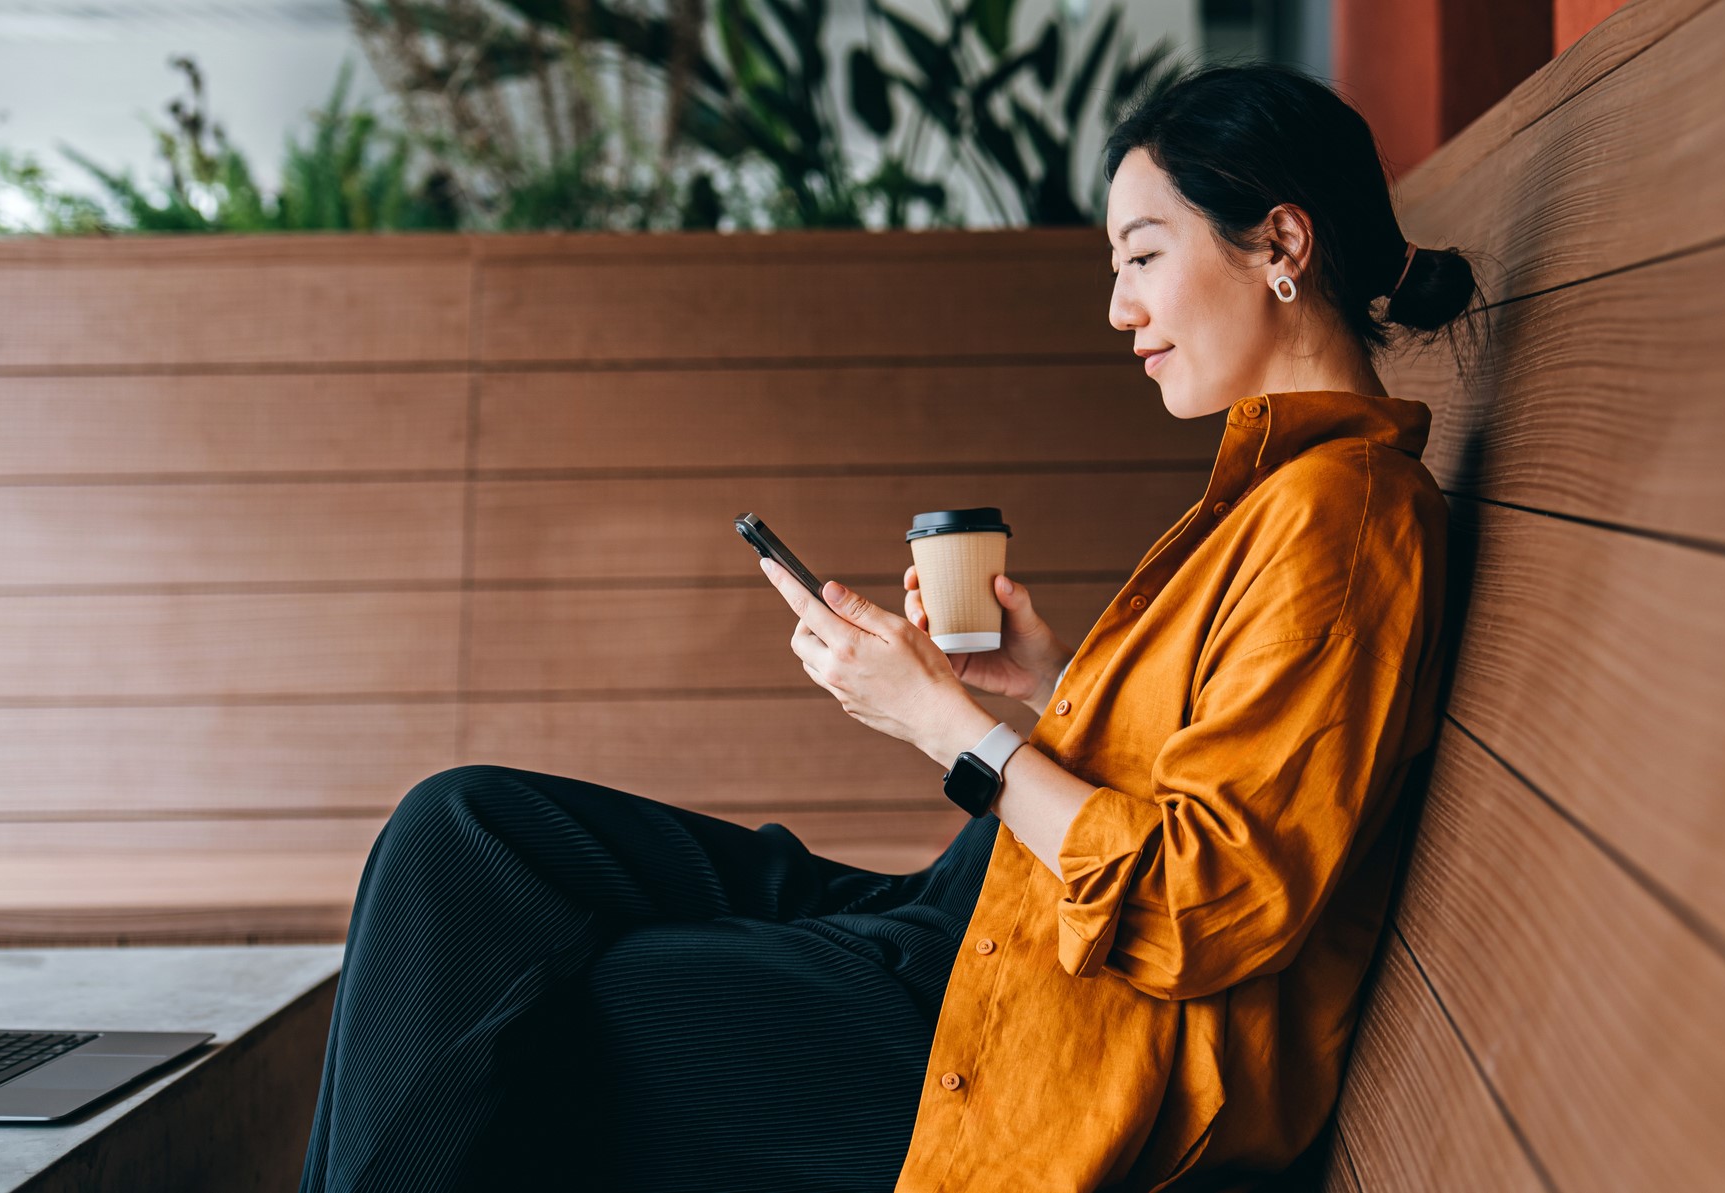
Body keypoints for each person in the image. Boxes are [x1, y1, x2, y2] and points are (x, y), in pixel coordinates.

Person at [298, 58, 1481, 1193]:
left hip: (1046, 1042)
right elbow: (1221, 759)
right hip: (973, 926)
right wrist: (1052, 680)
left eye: (1142, 255)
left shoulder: (1344, 518)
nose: (1121, 307)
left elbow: (1203, 904)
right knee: (466, 829)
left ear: (1280, 244)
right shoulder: (1279, 496)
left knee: (571, 998)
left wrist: (948, 727)